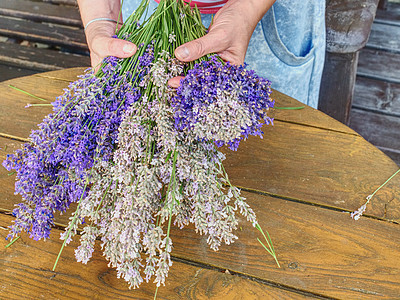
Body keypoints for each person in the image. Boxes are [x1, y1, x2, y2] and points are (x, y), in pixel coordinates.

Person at [77, 0, 325, 108]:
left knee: (278, 152)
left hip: (266, 15)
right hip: (144, 11)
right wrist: (101, 15)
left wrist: (249, 7)